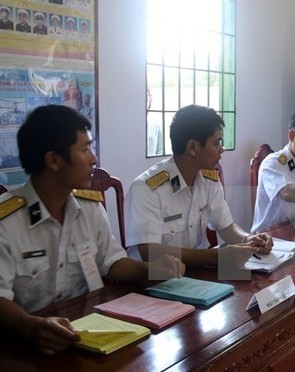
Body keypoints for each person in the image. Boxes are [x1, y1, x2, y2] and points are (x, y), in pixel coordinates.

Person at [0, 105, 184, 355]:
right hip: (29, 346)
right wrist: (32, 327)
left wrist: (151, 269)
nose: (94, 159)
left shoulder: (89, 207)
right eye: (85, 149)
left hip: (92, 336)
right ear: (54, 160)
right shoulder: (7, 221)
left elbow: (112, 262)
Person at [125, 104, 272, 269]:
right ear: (193, 147)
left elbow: (226, 226)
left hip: (193, 276)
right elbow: (149, 251)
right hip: (152, 282)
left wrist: (248, 240)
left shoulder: (208, 180)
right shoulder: (146, 188)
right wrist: (212, 256)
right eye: (216, 143)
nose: (221, 150)